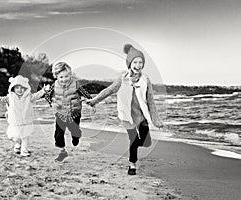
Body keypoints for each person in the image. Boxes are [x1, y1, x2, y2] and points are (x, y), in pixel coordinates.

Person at [87, 44, 163, 175]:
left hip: (142, 115)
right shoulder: (123, 79)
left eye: (141, 62)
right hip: (128, 116)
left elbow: (150, 100)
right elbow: (108, 91)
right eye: (135, 62)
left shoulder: (146, 80)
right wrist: (94, 101)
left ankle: (133, 153)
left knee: (147, 142)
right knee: (133, 140)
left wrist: (156, 120)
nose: (138, 65)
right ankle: (132, 165)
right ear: (129, 64)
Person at [0, 75, 48, 157]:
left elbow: (36, 96)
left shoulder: (28, 97)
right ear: (13, 88)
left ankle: (24, 150)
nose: (20, 90)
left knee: (25, 136)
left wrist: (43, 90)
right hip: (15, 121)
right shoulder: (10, 97)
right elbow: (0, 99)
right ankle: (17, 144)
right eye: (17, 88)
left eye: (22, 88)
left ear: (25, 88)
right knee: (14, 136)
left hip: (26, 121)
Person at [43, 62, 93, 162]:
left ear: (70, 75)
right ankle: (63, 152)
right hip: (60, 113)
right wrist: (51, 103)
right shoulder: (54, 85)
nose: (64, 79)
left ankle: (76, 136)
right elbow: (47, 95)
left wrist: (92, 103)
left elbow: (85, 94)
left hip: (74, 113)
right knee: (58, 135)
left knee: (75, 131)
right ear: (56, 76)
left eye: (67, 76)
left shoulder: (75, 84)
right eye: (61, 77)